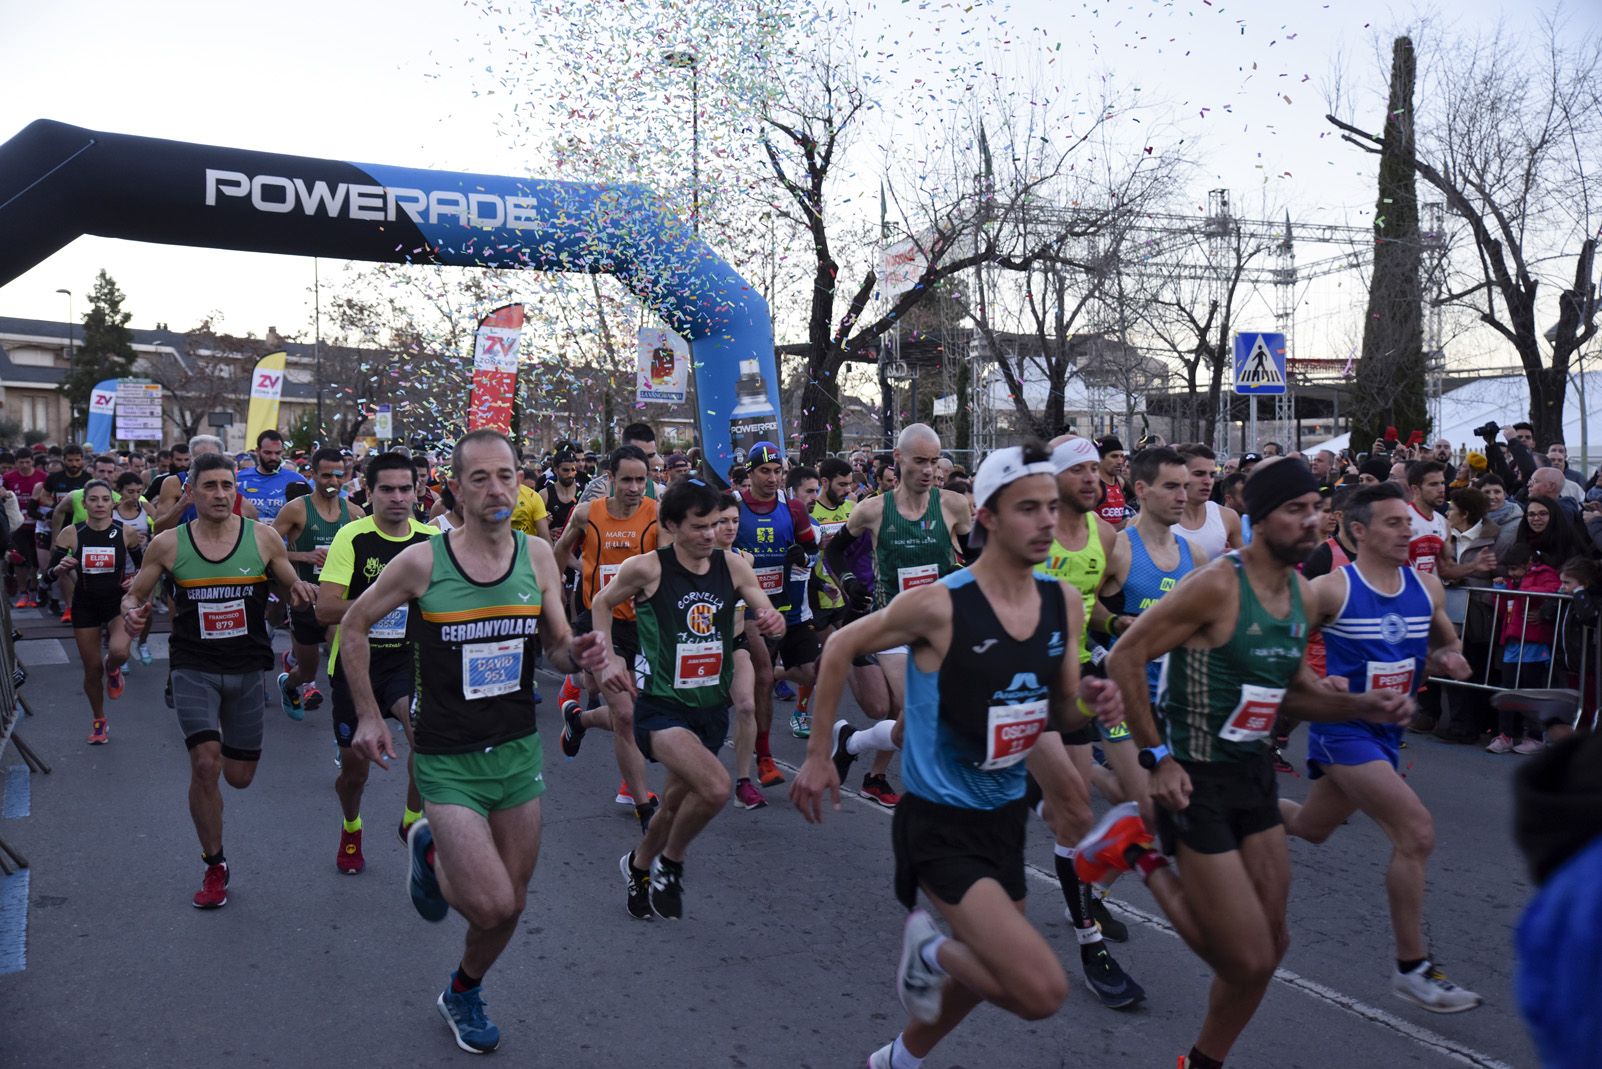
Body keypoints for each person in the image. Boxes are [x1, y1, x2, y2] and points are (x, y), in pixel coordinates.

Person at [791, 443, 1126, 1068]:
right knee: (1039, 990)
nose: (1047, 522)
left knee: (989, 977)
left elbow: (1061, 711)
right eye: (1028, 509)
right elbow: (839, 649)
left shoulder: (1064, 602)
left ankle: (899, 1059)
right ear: (988, 518)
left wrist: (1095, 705)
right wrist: (816, 753)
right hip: (939, 821)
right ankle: (929, 952)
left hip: (1005, 816)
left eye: (1051, 508)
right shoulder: (941, 605)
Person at [1077, 458, 1414, 1069]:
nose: (1313, 521)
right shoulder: (1216, 584)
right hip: (1194, 777)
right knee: (1245, 959)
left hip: (1252, 775)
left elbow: (1295, 693)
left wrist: (1366, 703)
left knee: (1272, 943)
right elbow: (1126, 657)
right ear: (1260, 520)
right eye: (1296, 510)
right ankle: (1136, 848)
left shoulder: (1300, 595)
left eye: (1317, 508)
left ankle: (1201, 1062)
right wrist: (1156, 758)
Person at [343, 429, 605, 1054]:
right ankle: (429, 851)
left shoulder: (538, 557)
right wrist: (370, 716)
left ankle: (463, 990)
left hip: (516, 750)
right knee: (489, 904)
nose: (495, 488)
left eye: (506, 476)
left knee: (512, 904)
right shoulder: (423, 562)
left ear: (521, 483)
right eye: (480, 478)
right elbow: (353, 626)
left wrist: (582, 655)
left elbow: (556, 646)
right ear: (455, 489)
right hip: (447, 755)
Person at [1278, 482, 1483, 1012]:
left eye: (1408, 523)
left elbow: (1444, 640)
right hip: (1343, 731)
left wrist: (1451, 658)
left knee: (1310, 828)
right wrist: (1318, 685)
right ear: (1359, 530)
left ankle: (1238, 800)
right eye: (1394, 523)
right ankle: (1412, 968)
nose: (1408, 531)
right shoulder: (1329, 589)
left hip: (1388, 734)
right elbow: (1284, 649)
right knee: (1414, 831)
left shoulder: (1426, 588)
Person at [120, 453, 319, 908]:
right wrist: (131, 613)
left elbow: (290, 586)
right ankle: (215, 863)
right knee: (205, 765)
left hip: (248, 668)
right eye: (209, 486)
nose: (220, 495)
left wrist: (302, 594)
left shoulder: (263, 538)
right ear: (190, 492)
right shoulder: (168, 544)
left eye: (227, 486)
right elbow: (135, 593)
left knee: (240, 777)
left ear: (237, 491)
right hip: (193, 666)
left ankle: (222, 802)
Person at [593, 478, 783, 919]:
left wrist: (770, 616)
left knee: (676, 803)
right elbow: (602, 604)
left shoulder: (732, 566)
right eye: (699, 526)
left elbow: (758, 600)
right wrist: (608, 661)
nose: (710, 534)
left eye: (715, 525)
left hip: (710, 707)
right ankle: (672, 864)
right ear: (673, 525)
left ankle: (639, 865)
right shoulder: (648, 568)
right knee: (716, 788)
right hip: (661, 705)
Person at [1029, 436, 1147, 1006]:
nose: (1091, 478)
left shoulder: (1105, 535)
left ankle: (1033, 796)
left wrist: (1113, 628)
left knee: (1078, 812)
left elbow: (1087, 606)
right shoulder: (1030, 531)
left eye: (1094, 470)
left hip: (1075, 683)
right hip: (1021, 685)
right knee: (1073, 811)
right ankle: (1089, 941)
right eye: (1076, 469)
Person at [824, 424, 973, 807]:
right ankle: (940, 798)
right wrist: (848, 583)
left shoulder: (954, 505)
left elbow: (976, 560)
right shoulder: (872, 510)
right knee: (919, 715)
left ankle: (852, 743)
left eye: (933, 462)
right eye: (919, 461)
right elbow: (834, 553)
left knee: (912, 724)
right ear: (898, 459)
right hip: (893, 626)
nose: (928, 470)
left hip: (940, 627)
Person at [316, 452, 438, 875]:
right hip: (356, 664)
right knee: (355, 771)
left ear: (418, 490)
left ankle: (412, 821)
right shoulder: (352, 537)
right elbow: (326, 609)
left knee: (426, 736)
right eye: (386, 489)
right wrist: (384, 602)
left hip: (410, 660)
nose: (398, 497)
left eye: (406, 488)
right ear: (368, 492)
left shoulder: (431, 540)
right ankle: (351, 824)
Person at [553, 445, 661, 822]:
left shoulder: (657, 516)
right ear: (610, 479)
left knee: (632, 714)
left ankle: (579, 719)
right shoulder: (587, 514)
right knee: (625, 713)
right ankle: (641, 802)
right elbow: (559, 551)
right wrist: (569, 576)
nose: (634, 488)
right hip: (600, 622)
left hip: (642, 626)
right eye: (626, 479)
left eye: (641, 479)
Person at [732, 442, 820, 800]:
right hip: (747, 608)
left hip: (786, 606)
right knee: (765, 678)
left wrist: (803, 553)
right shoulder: (733, 506)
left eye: (777, 472)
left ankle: (735, 690)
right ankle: (765, 758)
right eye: (764, 471)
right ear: (750, 473)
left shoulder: (793, 508)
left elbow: (811, 550)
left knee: (810, 671)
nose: (772, 478)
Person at [1098, 446, 1208, 702]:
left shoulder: (1196, 555)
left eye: (1185, 486)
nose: (1183, 496)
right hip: (1125, 694)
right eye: (1171, 487)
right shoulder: (1117, 549)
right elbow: (1082, 607)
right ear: (1141, 490)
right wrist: (1114, 623)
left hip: (1177, 694)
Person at [46, 480, 140, 744]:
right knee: (91, 670)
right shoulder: (70, 534)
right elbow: (48, 577)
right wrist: (59, 569)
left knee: (120, 652)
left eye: (105, 499)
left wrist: (136, 580)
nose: (99, 504)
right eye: (94, 500)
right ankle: (99, 721)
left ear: (113, 504)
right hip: (85, 604)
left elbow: (146, 567)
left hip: (117, 603)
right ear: (84, 503)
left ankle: (115, 669)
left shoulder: (127, 532)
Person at [272, 448, 365, 718]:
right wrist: (302, 555)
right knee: (307, 670)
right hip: (304, 601)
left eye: (339, 475)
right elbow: (265, 549)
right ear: (312, 475)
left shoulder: (355, 513)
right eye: (326, 475)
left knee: (344, 662)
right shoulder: (296, 510)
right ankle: (289, 684)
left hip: (336, 601)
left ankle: (347, 725)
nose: (333, 481)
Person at [1176, 445, 1242, 560]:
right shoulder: (1158, 519)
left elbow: (1247, 569)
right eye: (1199, 474)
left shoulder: (1228, 517)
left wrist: (1236, 559)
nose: (1207, 481)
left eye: (1212, 475)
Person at [235, 429, 307, 522]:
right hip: (249, 535)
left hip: (280, 536)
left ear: (282, 452)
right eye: (267, 453)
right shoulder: (239, 478)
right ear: (257, 451)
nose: (273, 457)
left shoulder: (296, 480)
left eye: (277, 453)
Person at [579, 421, 662, 503]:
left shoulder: (657, 493)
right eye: (638, 456)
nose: (645, 462)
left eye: (650, 456)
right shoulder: (599, 489)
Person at [1094, 435, 1130, 529]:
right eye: (1114, 456)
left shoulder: (1120, 482)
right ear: (1100, 459)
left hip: (1118, 542)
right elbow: (1089, 527)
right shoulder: (1093, 485)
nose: (1120, 461)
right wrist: (1126, 524)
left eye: (1121, 456)